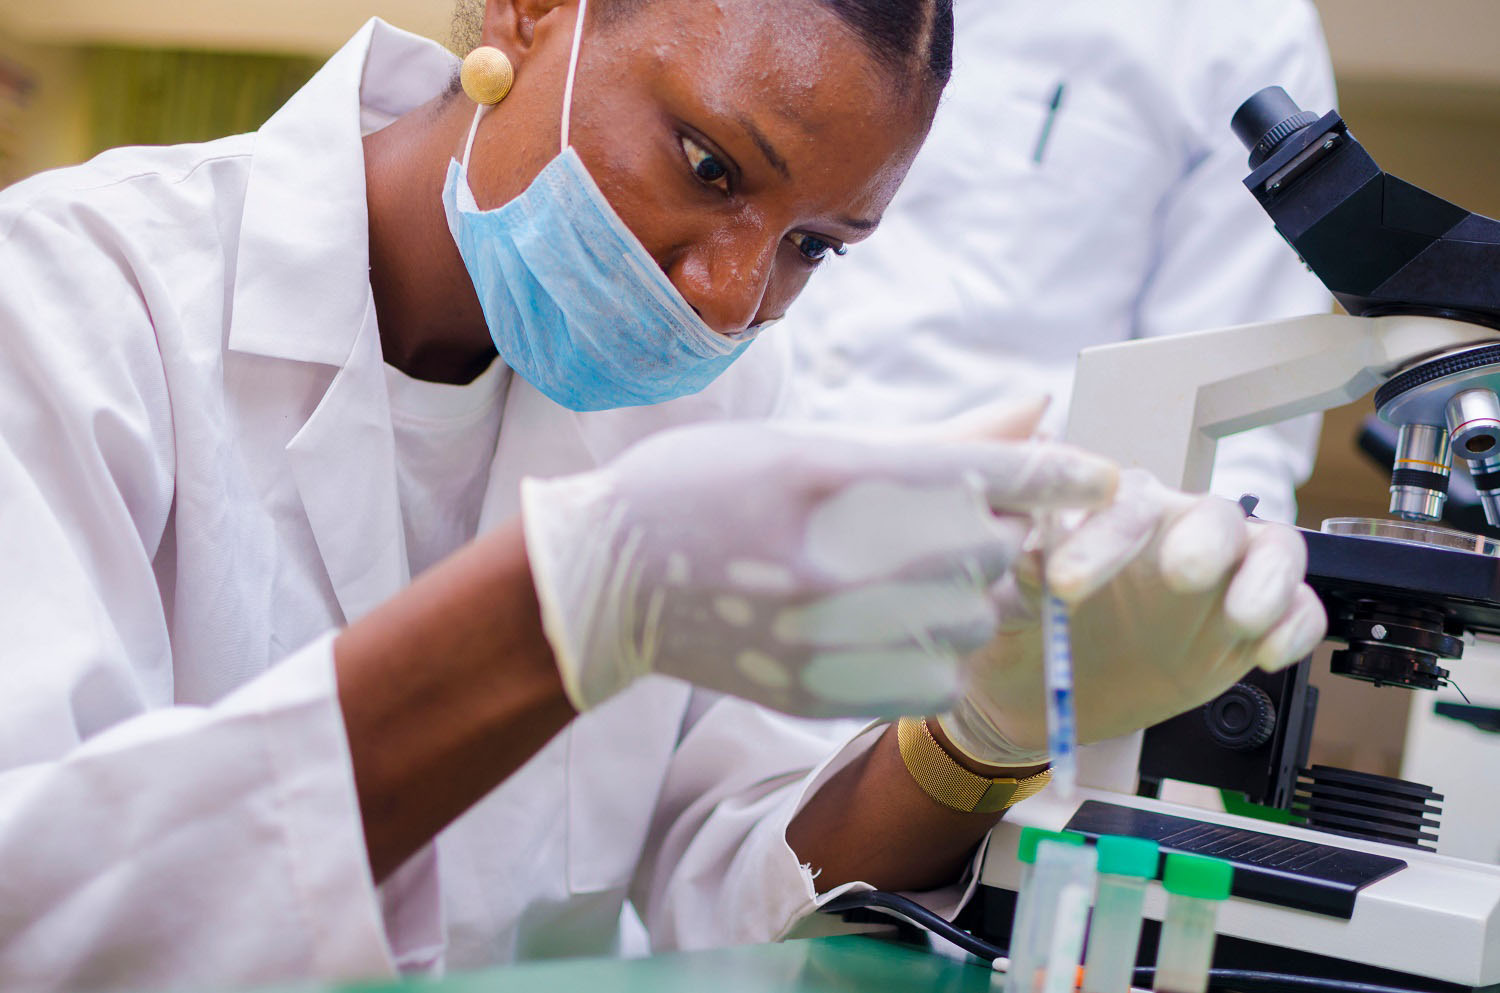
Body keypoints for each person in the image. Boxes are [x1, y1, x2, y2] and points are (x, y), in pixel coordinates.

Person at [0, 0, 1324, 988]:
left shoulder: (710, 395)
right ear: (528, 11)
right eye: (709, 167)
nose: (731, 298)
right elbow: (35, 909)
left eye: (814, 246)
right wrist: (565, 605)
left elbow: (737, 873)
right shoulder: (72, 308)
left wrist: (984, 728)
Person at [785, 0, 1338, 526]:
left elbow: (1232, 414)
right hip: (724, 501)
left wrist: (1196, 571)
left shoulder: (1240, 30)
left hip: (999, 559)